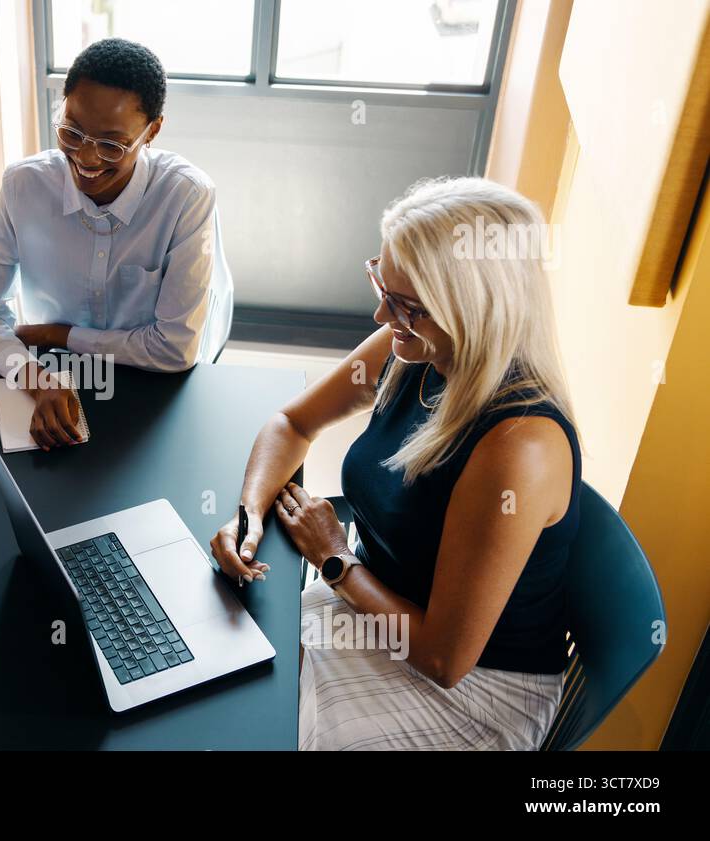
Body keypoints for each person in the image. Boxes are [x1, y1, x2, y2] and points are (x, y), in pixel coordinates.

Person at [210, 177, 579, 750]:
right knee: (223, 671)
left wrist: (334, 560)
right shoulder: (412, 347)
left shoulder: (517, 447)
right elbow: (293, 424)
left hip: (471, 688)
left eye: (407, 305)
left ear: (472, 309)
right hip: (370, 604)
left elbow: (441, 658)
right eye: (381, 282)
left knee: (254, 716)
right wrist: (249, 515)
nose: (383, 312)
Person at [0, 37, 233, 450]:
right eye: (72, 133)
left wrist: (57, 333)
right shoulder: (23, 186)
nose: (85, 158)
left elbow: (174, 350)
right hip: (52, 369)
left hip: (153, 384)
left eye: (111, 144)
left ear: (153, 130)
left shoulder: (186, 196)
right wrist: (35, 376)